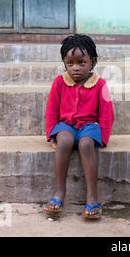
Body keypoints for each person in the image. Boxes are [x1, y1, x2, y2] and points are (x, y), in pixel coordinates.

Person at [43, 34, 114, 219]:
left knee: (85, 144)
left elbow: (107, 113)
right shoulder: (59, 82)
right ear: (64, 63)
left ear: (93, 61)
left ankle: (92, 197)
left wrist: (103, 137)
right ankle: (59, 192)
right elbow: (51, 109)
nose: (75, 68)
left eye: (81, 63)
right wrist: (52, 134)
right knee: (64, 140)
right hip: (65, 125)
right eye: (70, 63)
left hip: (89, 126)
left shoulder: (100, 84)